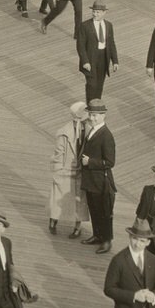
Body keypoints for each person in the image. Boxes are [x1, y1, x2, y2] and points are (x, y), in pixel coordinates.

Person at [79, 101, 117, 254]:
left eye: (95, 115)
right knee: (94, 209)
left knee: (104, 211)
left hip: (101, 181)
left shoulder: (106, 135)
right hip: (91, 180)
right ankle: (97, 235)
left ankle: (107, 241)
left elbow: (110, 162)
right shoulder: (93, 130)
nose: (92, 118)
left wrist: (90, 162)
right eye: (90, 115)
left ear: (103, 115)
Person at [50, 102, 88, 239]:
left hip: (81, 171)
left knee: (80, 199)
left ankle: (78, 227)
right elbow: (58, 154)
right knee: (59, 197)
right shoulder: (64, 133)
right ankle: (53, 220)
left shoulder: (88, 130)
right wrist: (57, 171)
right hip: (65, 170)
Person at [75, 0, 118, 103]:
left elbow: (111, 44)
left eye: (98, 12)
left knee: (99, 84)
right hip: (90, 59)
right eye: (94, 11)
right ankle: (90, 105)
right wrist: (85, 61)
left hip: (103, 57)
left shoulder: (109, 25)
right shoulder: (85, 26)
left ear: (104, 12)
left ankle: (97, 104)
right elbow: (80, 46)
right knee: (91, 84)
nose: (95, 14)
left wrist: (115, 61)